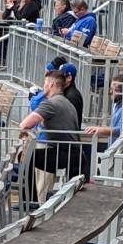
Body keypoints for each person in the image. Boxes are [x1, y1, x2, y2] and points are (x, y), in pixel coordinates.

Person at [19, 67, 83, 199]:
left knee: (25, 156)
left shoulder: (51, 104)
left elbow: (25, 124)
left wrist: (24, 130)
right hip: (74, 155)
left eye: (44, 83)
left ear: (51, 84)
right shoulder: (66, 102)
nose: (43, 87)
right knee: (27, 156)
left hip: (62, 154)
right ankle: (32, 199)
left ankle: (33, 202)